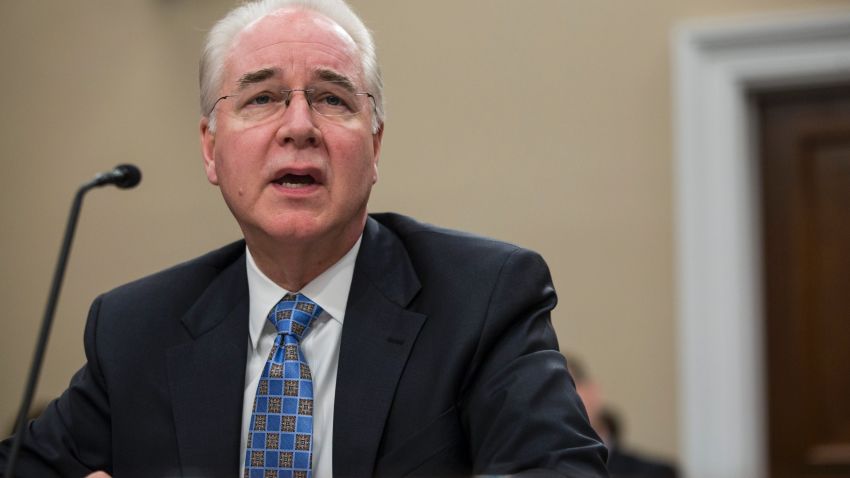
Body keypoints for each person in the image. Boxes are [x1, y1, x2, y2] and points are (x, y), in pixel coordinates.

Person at [0, 1, 607, 476]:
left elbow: (558, 468)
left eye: (331, 99)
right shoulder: (137, 328)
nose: (298, 127)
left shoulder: (482, 299)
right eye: (262, 97)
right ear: (212, 149)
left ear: (374, 146)